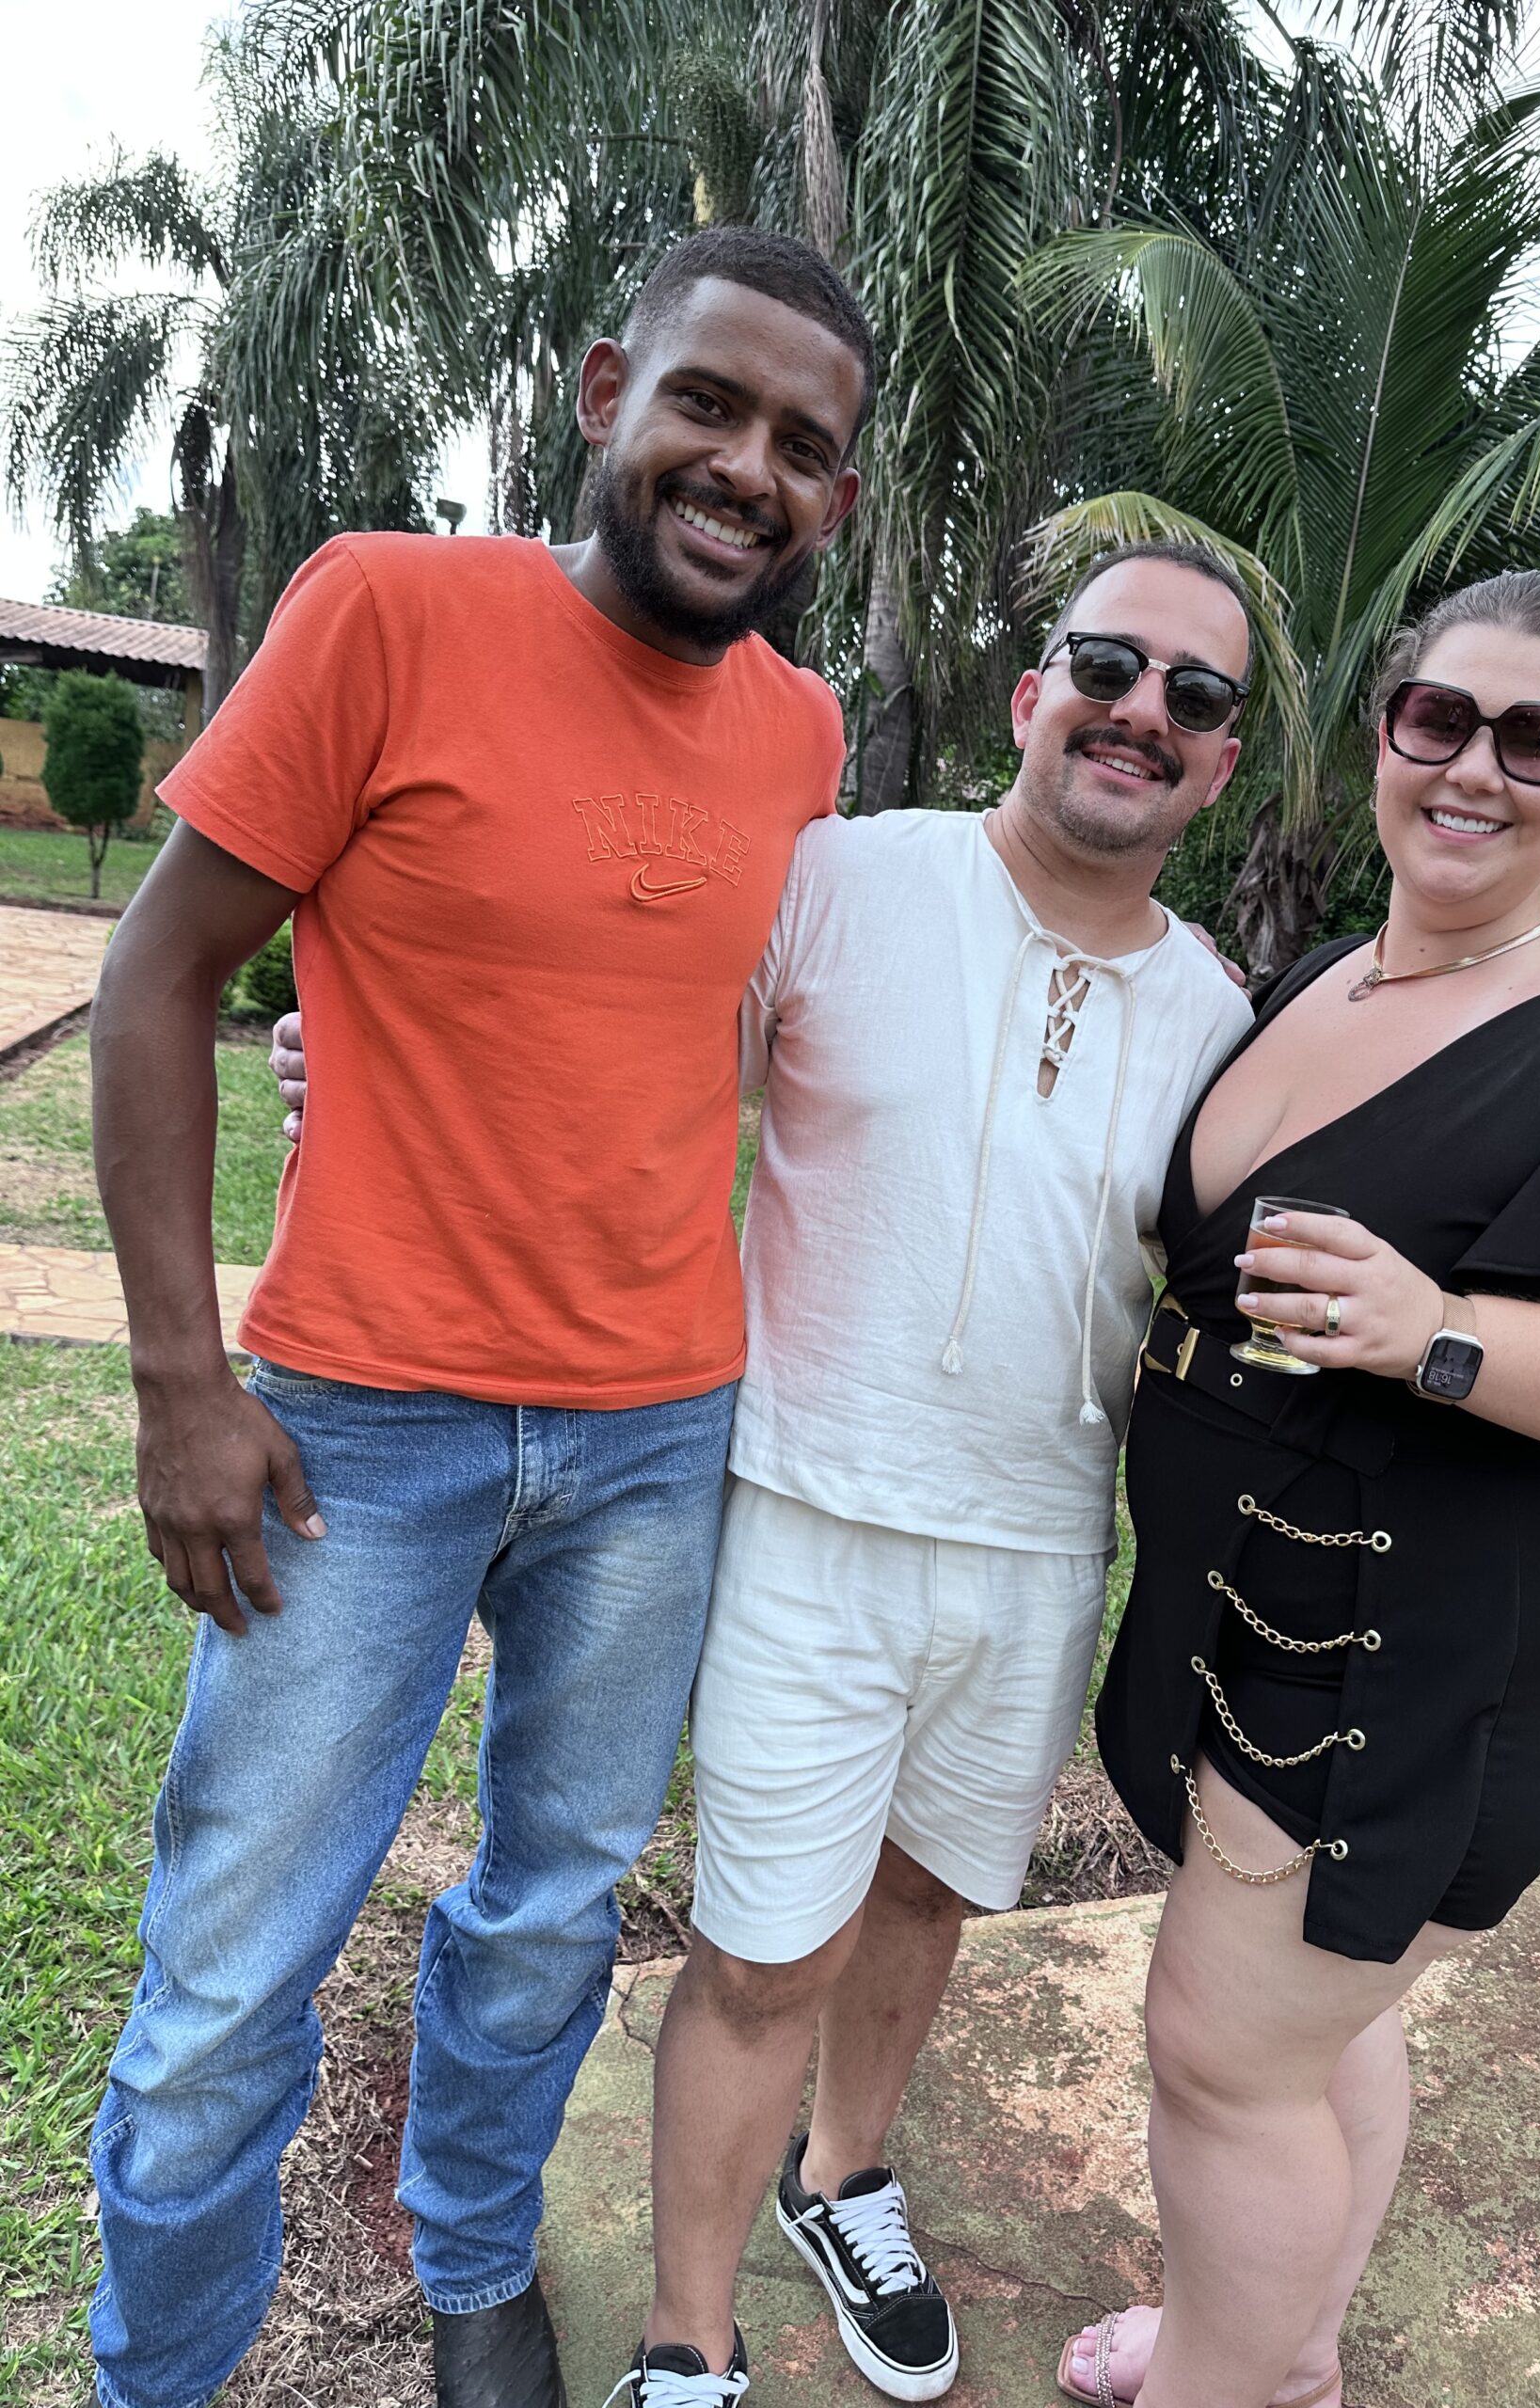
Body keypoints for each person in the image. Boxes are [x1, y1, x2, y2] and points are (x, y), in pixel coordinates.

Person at [271, 539, 1258, 2408]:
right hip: (805, 1510)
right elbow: (628, 1051)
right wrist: (380, 1061)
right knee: (759, 1952)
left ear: (1217, 766)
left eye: (1193, 697)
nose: (1142, 711)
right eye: (1108, 665)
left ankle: (846, 2172)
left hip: (1040, 1547)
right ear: (1034, 692)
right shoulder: (845, 877)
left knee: (927, 1899)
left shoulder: (1221, 1020)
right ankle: (690, 2339)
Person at [80, 226, 871, 2408]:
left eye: (803, 444)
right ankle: (157, 2376)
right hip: (358, 1426)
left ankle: (473, 2262)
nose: (747, 466)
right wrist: (182, 1380)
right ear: (608, 391)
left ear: (838, 501)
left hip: (656, 1436)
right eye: (708, 402)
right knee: (231, 1978)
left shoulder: (801, 731)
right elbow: (157, 976)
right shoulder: (386, 610)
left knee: (549, 1913)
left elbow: (695, 1019)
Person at [1054, 569, 1540, 2408]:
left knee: (1224, 2060)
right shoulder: (1323, 974)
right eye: (1440, 718)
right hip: (1258, 1615)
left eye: (1534, 737)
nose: (1475, 766)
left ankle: (1226, 2379)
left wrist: (1442, 1331)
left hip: (1407, 1667)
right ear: (1385, 733)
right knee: (1318, 2024)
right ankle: (1281, 2343)